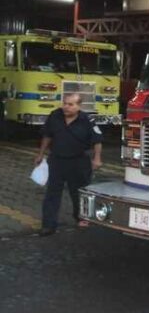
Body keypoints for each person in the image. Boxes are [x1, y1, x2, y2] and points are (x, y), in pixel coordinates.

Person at [34, 93, 103, 236]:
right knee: (52, 194)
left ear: (79, 106)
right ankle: (48, 225)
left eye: (70, 104)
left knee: (78, 193)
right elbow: (47, 136)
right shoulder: (55, 116)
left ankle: (81, 218)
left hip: (78, 162)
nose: (66, 107)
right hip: (57, 160)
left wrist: (97, 158)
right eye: (64, 103)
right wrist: (41, 154)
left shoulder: (87, 120)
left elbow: (97, 141)